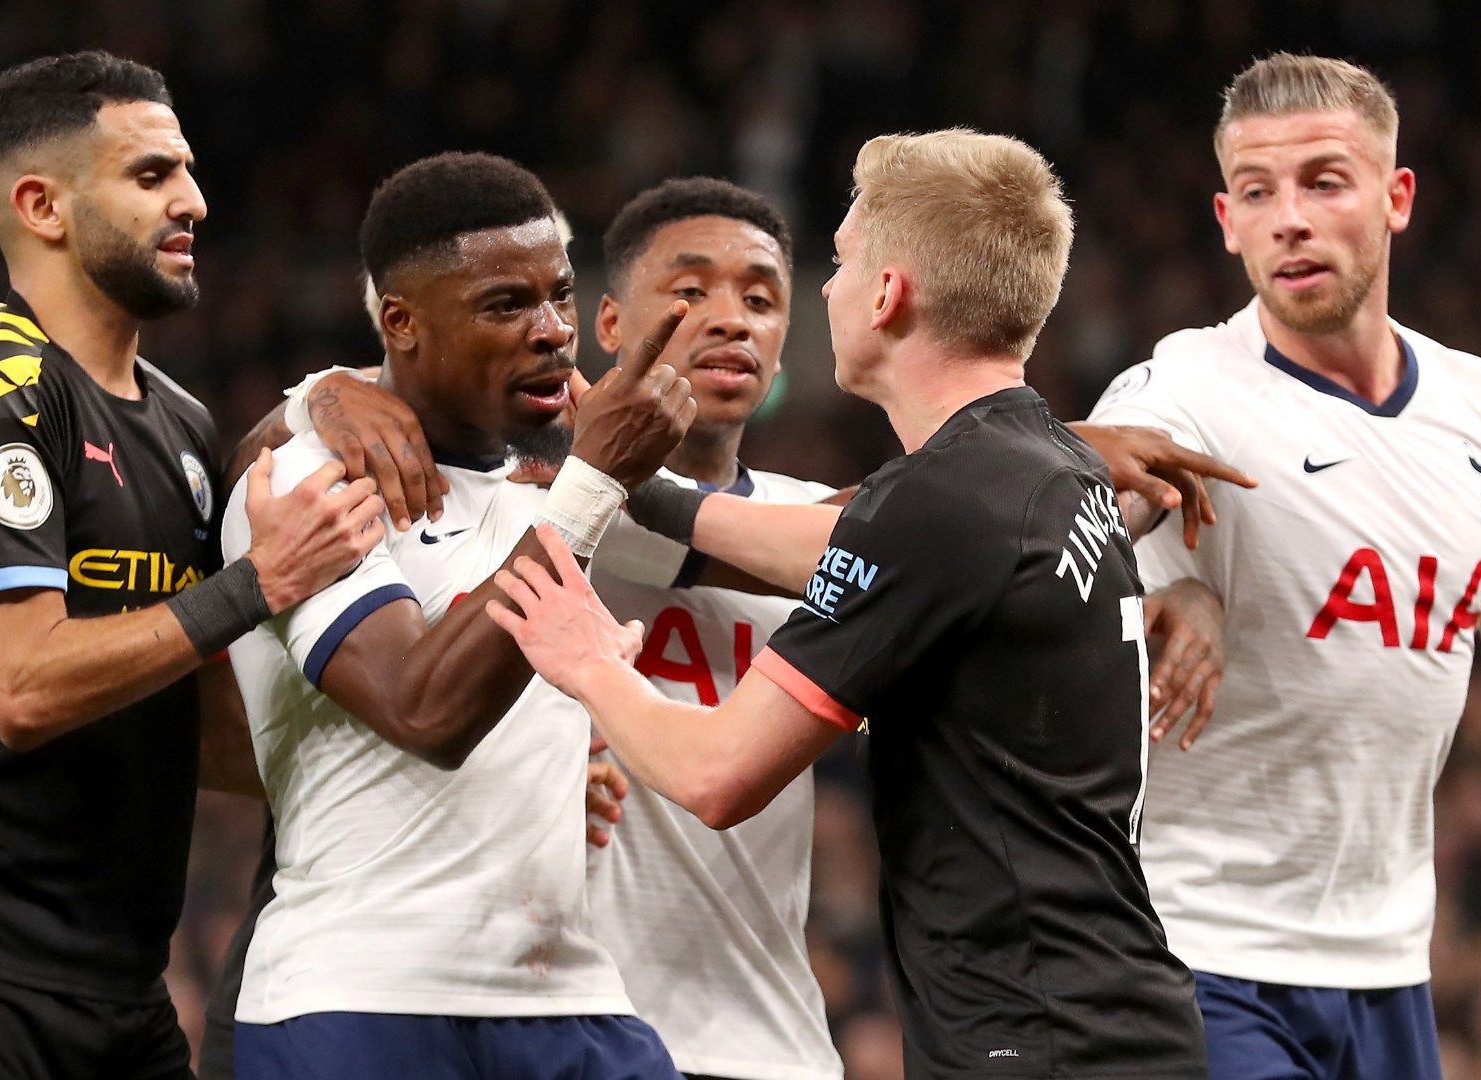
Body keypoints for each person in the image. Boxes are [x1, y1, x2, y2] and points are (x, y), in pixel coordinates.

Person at [487, 129, 1210, 1078]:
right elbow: (822, 543)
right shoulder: (1049, 462)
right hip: (1106, 1017)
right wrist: (637, 479)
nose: (825, 290)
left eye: (840, 262)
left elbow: (716, 776)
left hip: (1033, 1037)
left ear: (887, 294)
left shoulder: (942, 500)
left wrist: (586, 657)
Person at [1086, 53, 1481, 1080]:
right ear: (1226, 221)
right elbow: (1038, 532)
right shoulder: (1184, 394)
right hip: (1193, 957)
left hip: (1389, 972)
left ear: (1396, 198)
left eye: (1324, 181)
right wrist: (1150, 592)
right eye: (1258, 193)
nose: (1289, 219)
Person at [0, 52, 389, 1079]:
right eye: (152, 175)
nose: (195, 204)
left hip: (121, 979)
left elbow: (201, 729)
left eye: (188, 171)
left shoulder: (181, 421)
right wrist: (257, 584)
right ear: (41, 205)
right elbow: (24, 688)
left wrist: (467, 772)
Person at [220, 152, 695, 1079]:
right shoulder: (312, 481)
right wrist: (591, 489)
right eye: (505, 305)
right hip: (365, 998)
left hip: (570, 998)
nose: (554, 331)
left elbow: (805, 531)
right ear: (399, 322)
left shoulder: (566, 476)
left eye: (561, 294)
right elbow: (423, 709)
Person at [583, 177, 843, 1080]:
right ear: (610, 325)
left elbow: (961, 529)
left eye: (761, 298)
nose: (730, 319)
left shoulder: (814, 521)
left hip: (774, 1043)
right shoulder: (538, 500)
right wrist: (325, 396)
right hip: (575, 1026)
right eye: (691, 291)